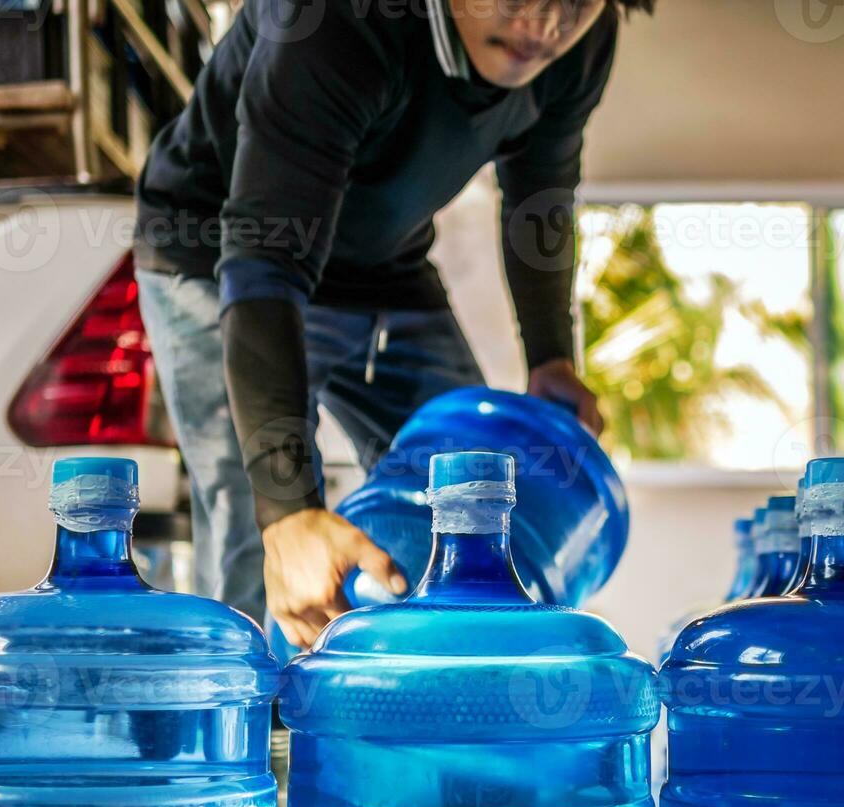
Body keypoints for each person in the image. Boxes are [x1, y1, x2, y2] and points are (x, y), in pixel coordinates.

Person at [134, 0, 653, 647]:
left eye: (574, 3)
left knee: (475, 481)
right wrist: (290, 514)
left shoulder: (580, 43)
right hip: (217, 253)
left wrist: (551, 357)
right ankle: (254, 719)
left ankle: (445, 693)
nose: (545, 25)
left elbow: (540, 192)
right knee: (258, 515)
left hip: (383, 259)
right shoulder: (332, 22)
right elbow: (264, 263)